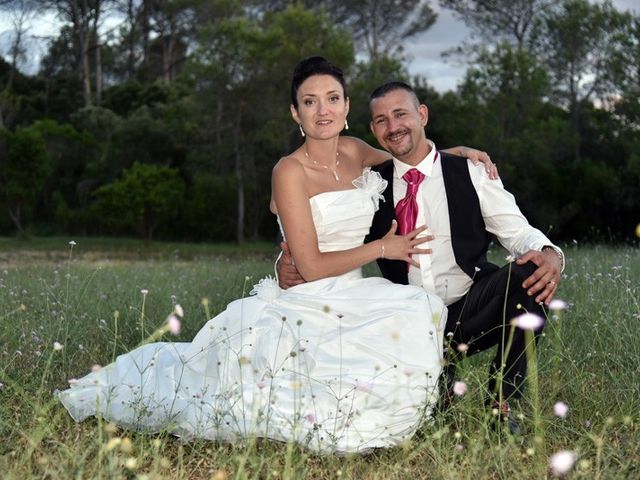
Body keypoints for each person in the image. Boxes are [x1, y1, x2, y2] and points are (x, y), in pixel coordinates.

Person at [56, 57, 494, 454]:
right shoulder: (288, 171)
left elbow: (411, 161)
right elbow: (309, 266)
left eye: (332, 99)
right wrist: (383, 247)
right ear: (295, 113)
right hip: (305, 294)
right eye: (309, 101)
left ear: (346, 106)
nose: (322, 110)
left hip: (354, 293)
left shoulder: (356, 150)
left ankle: (425, 411)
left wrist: (457, 154)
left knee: (415, 308)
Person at [278, 81, 565, 435]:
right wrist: (287, 261)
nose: (393, 126)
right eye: (381, 120)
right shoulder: (370, 186)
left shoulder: (469, 172)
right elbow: (330, 231)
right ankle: (437, 384)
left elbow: (519, 233)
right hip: (406, 322)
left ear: (422, 114)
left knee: (529, 272)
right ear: (373, 130)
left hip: (470, 307)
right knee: (425, 419)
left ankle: (503, 400)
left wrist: (551, 254)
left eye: (401, 114)